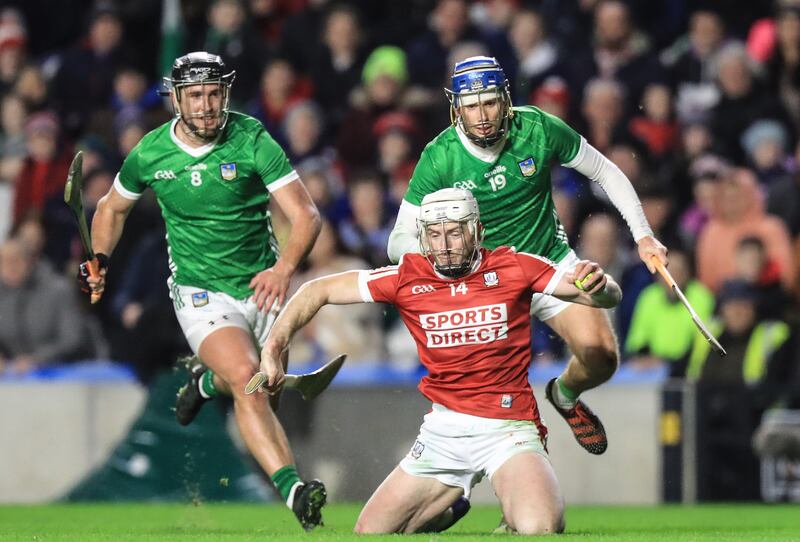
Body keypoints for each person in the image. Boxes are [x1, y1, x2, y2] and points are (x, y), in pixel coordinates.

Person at [251, 189, 622, 534]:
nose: (443, 247)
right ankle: (447, 508)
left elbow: (607, 297)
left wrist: (599, 285)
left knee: (538, 528)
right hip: (443, 433)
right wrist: (272, 349)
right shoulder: (408, 276)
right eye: (434, 235)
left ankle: (507, 512)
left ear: (477, 230)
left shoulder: (515, 266)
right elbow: (318, 289)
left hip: (508, 429)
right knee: (369, 533)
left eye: (454, 234)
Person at [79, 52, 327, 530]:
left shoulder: (252, 138)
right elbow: (110, 210)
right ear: (176, 99)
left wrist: (284, 267)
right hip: (201, 293)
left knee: (264, 387)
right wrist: (101, 259)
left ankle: (204, 383)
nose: (207, 105)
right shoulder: (151, 152)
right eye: (195, 95)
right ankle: (296, 492)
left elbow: (306, 215)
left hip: (263, 290)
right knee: (250, 380)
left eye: (214, 93)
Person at [387, 56, 667, 455]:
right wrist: (441, 264)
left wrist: (644, 236)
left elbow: (605, 171)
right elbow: (399, 239)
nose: (481, 116)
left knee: (602, 356)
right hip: (486, 283)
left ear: (505, 100)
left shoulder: (537, 127)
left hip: (549, 263)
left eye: (489, 102)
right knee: (489, 403)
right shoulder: (440, 156)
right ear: (456, 109)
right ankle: (462, 480)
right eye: (471, 106)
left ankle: (564, 396)